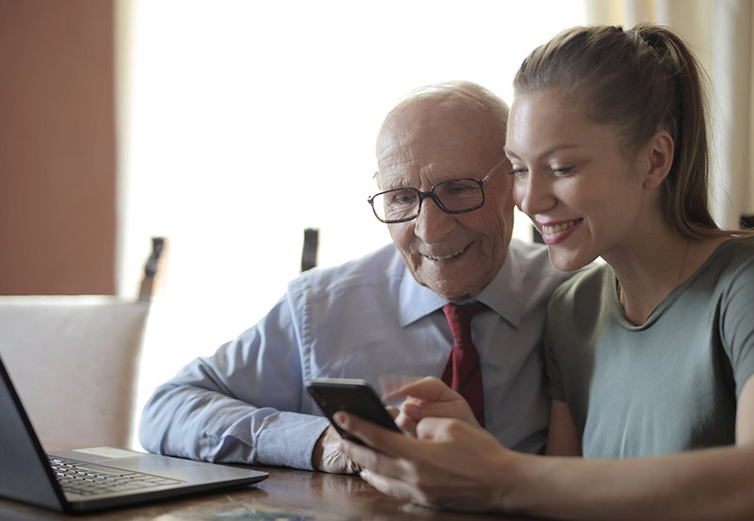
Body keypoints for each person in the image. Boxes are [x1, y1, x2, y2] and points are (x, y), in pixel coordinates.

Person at [336, 24, 754, 520]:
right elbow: (568, 497)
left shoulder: (753, 278)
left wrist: (500, 474)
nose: (529, 199)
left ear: (655, 160)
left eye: (562, 168)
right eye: (518, 169)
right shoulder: (573, 307)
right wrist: (474, 451)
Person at [138, 81, 571, 473]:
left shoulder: (576, 301)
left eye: (458, 189)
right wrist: (319, 441)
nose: (428, 230)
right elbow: (167, 409)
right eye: (402, 198)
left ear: (516, 181)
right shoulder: (321, 308)